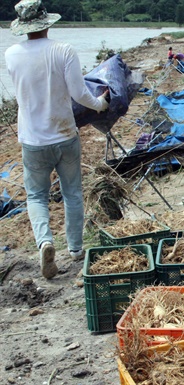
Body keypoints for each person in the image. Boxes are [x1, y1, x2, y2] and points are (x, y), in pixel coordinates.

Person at [5, 0, 110, 279]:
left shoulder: (11, 54)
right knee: (72, 192)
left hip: (33, 140)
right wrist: (101, 104)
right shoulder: (63, 50)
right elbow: (79, 95)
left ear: (22, 26)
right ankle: (75, 249)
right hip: (64, 135)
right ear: (47, 22)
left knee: (37, 195)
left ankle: (45, 241)